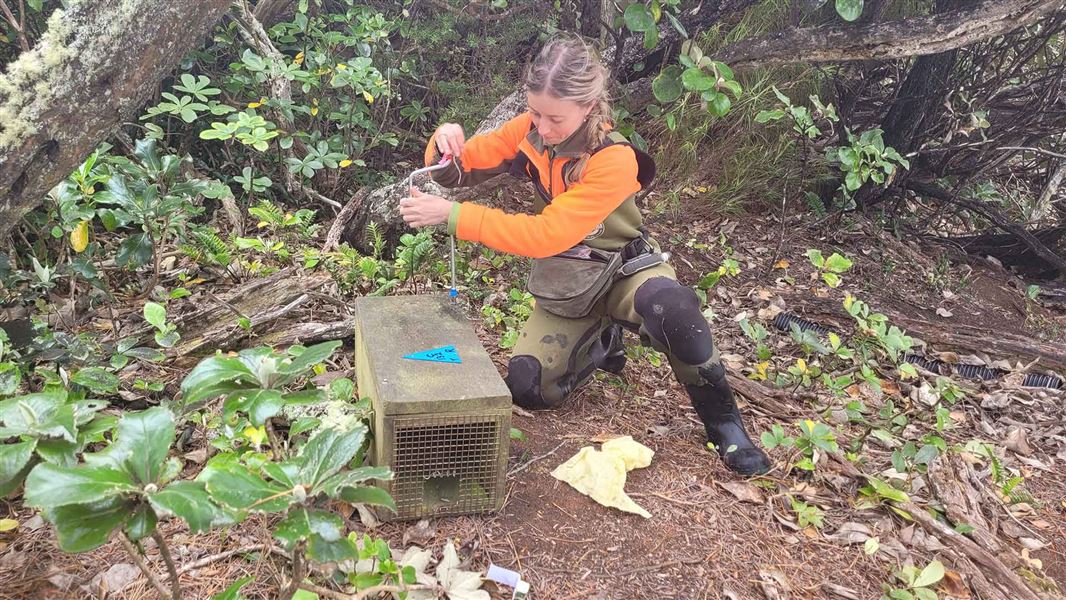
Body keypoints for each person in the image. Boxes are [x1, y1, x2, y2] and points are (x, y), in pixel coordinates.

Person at [398, 35, 770, 476]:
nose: (543, 126)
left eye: (554, 117)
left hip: (622, 271)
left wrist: (453, 217)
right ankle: (601, 340)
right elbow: (459, 170)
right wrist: (444, 142)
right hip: (571, 282)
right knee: (529, 388)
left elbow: (546, 235)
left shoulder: (613, 160)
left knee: (676, 313)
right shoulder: (530, 130)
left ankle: (725, 425)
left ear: (589, 106)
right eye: (535, 112)